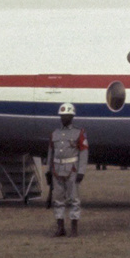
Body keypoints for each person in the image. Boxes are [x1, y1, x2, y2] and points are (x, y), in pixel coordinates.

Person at [46, 102, 88, 238]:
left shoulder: (79, 133)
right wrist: (48, 170)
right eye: (61, 116)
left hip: (72, 170)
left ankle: (74, 229)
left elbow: (84, 152)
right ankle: (60, 228)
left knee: (74, 199)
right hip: (57, 170)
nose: (63, 118)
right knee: (58, 200)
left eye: (66, 116)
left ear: (72, 117)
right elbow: (50, 153)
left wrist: (81, 171)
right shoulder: (55, 134)